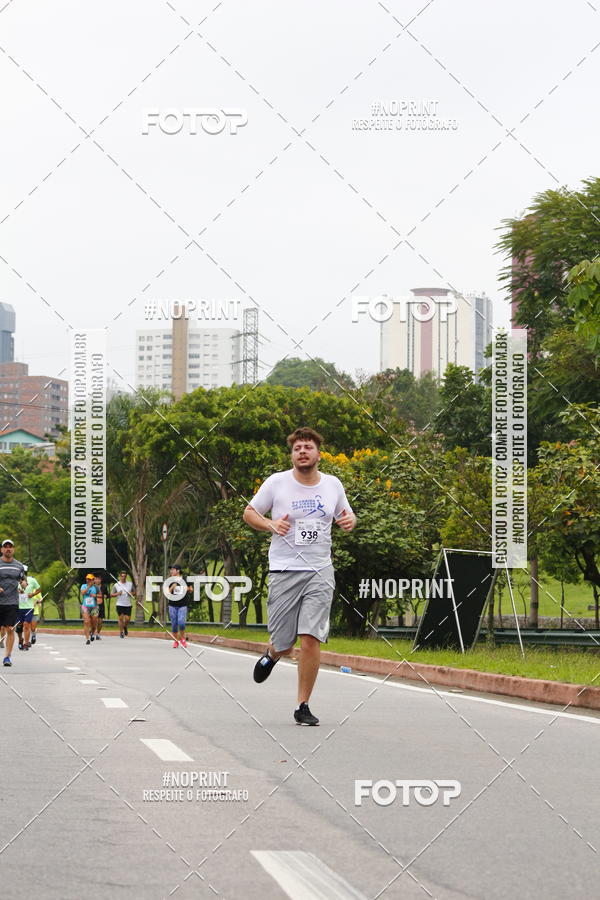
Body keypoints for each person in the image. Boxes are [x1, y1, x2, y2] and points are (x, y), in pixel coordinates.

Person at [243, 427, 356, 725]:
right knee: (284, 642)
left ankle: (302, 705)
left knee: (310, 638)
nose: (302, 452)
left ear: (319, 454)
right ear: (292, 455)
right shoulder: (277, 483)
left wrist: (349, 521)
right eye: (297, 448)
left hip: (320, 570)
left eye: (307, 447)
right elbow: (249, 513)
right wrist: (270, 525)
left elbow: (347, 515)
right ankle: (272, 654)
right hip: (284, 570)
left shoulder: (332, 484)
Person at [0, 539, 26, 667]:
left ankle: (7, 657)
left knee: (10, 628)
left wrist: (24, 583)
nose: (8, 549)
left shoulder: (19, 565)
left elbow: (23, 579)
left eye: (10, 547)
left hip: (12, 602)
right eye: (6, 547)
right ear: (2, 550)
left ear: (14, 550)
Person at [167, 564, 192, 648]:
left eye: (172, 569)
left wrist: (186, 588)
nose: (171, 571)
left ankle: (183, 639)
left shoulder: (185, 579)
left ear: (178, 571)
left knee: (181, 623)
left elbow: (191, 589)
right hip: (172, 605)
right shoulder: (169, 580)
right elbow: (167, 593)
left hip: (182, 605)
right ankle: (176, 641)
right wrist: (172, 587)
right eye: (171, 570)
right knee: (174, 624)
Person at [17, 565, 40, 650]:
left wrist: (32, 594)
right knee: (19, 627)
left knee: (26, 625)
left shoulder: (32, 580)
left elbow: (39, 589)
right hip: (18, 607)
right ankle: (20, 639)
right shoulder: (15, 581)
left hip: (29, 607)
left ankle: (26, 643)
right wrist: (17, 592)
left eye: (24, 573)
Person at [111, 571, 134, 638]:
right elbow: (112, 594)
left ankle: (125, 626)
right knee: (121, 618)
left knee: (127, 619)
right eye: (122, 576)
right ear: (120, 576)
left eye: (124, 576)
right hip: (119, 604)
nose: (123, 577)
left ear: (126, 577)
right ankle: (121, 632)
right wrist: (118, 593)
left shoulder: (130, 584)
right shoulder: (116, 585)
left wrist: (131, 593)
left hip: (128, 604)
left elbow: (134, 592)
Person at [80, 573, 99, 645]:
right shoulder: (83, 586)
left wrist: (95, 595)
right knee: (86, 621)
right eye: (87, 579)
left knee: (94, 625)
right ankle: (87, 639)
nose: (88, 580)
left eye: (90, 579)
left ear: (93, 580)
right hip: (85, 606)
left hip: (94, 607)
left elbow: (101, 595)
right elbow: (82, 593)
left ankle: (92, 633)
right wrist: (88, 587)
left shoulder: (96, 587)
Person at [93, 575, 106, 640]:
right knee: (94, 620)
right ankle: (92, 632)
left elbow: (107, 595)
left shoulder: (104, 586)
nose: (97, 580)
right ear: (94, 580)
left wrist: (106, 596)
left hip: (101, 605)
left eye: (99, 579)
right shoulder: (92, 587)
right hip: (93, 605)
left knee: (100, 621)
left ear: (101, 580)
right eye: (96, 579)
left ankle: (98, 633)